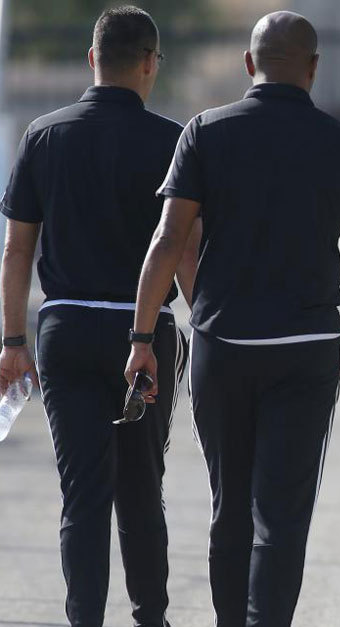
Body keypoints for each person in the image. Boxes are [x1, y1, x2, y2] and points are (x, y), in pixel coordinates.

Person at [124, 11, 340, 626]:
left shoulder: (205, 132)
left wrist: (144, 335)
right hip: (306, 348)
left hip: (224, 343)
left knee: (231, 506)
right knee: (284, 511)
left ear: (249, 65)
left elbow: (170, 242)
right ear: (314, 68)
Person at [0, 6, 197, 626]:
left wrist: (10, 341)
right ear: (148, 63)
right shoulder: (173, 140)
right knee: (142, 491)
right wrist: (210, 330)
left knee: (82, 495)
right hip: (142, 331)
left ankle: (84, 617)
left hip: (64, 330)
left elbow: (17, 249)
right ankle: (151, 617)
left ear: (92, 59)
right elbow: (186, 250)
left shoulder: (43, 134)